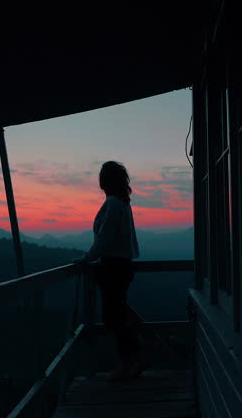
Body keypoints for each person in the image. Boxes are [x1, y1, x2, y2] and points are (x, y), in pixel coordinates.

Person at [76, 161, 146, 380]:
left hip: (114, 267)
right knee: (118, 312)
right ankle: (138, 353)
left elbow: (105, 239)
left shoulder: (114, 204)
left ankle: (133, 358)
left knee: (112, 318)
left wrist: (86, 258)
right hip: (119, 266)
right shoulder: (121, 203)